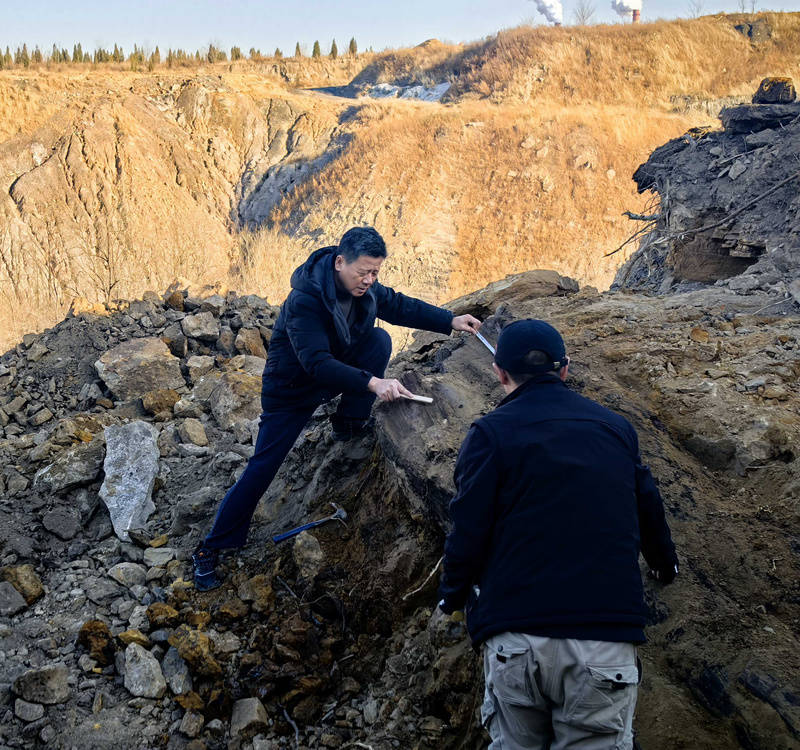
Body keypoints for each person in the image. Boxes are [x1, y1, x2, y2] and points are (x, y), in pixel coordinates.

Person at [192, 226, 482, 591]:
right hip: (292, 391)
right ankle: (211, 547)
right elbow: (316, 362)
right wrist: (373, 383)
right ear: (340, 262)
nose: (369, 280)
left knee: (378, 339)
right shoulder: (306, 300)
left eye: (375, 272)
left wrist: (449, 320)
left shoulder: (363, 286)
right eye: (364, 272)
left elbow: (397, 304)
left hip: (335, 370)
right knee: (263, 468)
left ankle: (348, 423)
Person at [436, 319, 678, 750]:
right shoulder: (615, 429)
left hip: (515, 636)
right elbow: (648, 505)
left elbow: (468, 527)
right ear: (564, 369)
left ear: (499, 373)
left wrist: (452, 596)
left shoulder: (490, 434)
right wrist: (664, 564)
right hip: (603, 640)